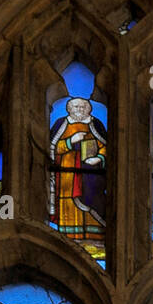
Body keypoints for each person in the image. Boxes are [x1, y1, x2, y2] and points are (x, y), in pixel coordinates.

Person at [49, 96, 107, 246]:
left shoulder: (95, 124)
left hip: (90, 172)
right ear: (69, 109)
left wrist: (99, 158)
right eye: (76, 107)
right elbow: (51, 148)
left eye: (82, 107)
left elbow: (106, 146)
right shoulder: (61, 124)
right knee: (68, 201)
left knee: (93, 199)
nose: (79, 110)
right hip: (67, 171)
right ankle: (69, 236)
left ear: (88, 109)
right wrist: (70, 141)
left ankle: (95, 236)